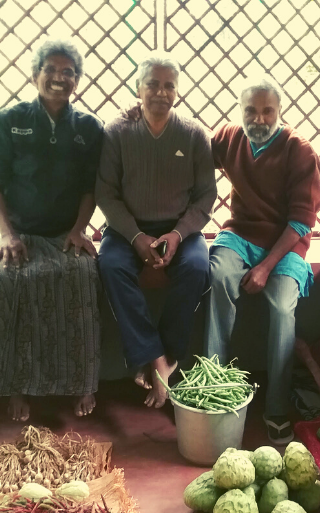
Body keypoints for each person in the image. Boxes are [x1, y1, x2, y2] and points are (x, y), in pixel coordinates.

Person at [0, 38, 104, 422]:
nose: (58, 78)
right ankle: (16, 387)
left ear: (77, 81)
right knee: (3, 283)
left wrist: (79, 229)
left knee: (83, 276)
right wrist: (6, 233)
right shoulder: (10, 121)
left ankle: (82, 383)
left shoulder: (89, 127)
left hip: (65, 235)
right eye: (49, 69)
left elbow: (90, 188)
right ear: (34, 74)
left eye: (67, 72)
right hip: (21, 236)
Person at [94, 56, 216, 408]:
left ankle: (168, 355)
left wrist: (178, 235)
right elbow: (106, 193)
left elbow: (207, 195)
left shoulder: (192, 134)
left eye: (169, 85)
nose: (161, 92)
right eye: (153, 84)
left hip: (179, 229)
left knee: (196, 268)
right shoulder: (117, 131)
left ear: (178, 90)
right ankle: (155, 359)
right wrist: (136, 237)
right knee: (112, 267)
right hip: (128, 229)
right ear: (138, 88)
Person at [205, 77, 320, 444]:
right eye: (250, 111)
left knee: (282, 304)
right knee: (220, 276)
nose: (258, 118)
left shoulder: (298, 151)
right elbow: (189, 150)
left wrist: (265, 267)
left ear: (279, 111)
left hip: (286, 243)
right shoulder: (229, 137)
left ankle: (275, 408)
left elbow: (302, 220)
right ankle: (215, 387)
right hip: (240, 233)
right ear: (240, 112)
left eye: (267, 110)